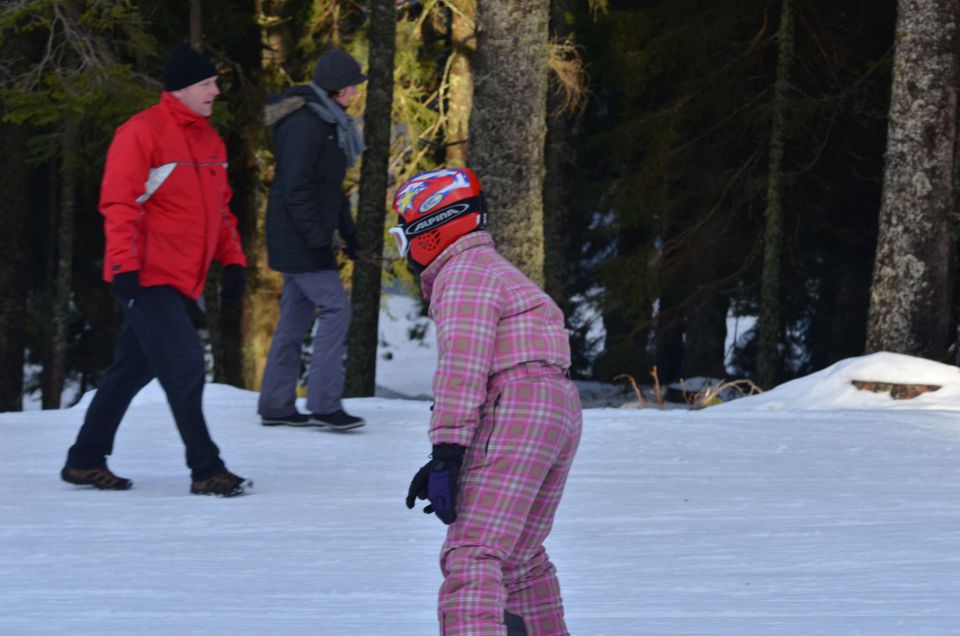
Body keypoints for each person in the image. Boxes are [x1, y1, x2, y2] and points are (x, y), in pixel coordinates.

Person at [60, 45, 251, 497]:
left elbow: (220, 211)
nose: (215, 91)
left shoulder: (209, 140)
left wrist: (235, 259)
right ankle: (206, 469)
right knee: (185, 367)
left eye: (215, 83)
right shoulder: (141, 132)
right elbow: (119, 203)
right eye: (206, 84)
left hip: (182, 279)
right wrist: (124, 265)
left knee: (129, 371)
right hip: (145, 275)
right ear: (182, 88)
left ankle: (84, 459)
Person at [397, 168, 582, 636]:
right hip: (555, 406)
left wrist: (448, 452)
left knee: (472, 554)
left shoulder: (462, 274)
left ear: (429, 231)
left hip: (519, 401)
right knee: (518, 559)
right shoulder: (494, 269)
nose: (404, 251)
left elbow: (464, 365)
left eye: (403, 234)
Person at [257, 49, 367, 431]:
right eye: (352, 84)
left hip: (307, 236)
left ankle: (275, 404)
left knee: (295, 318)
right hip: (299, 237)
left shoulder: (328, 122)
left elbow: (330, 190)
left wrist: (349, 236)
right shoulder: (305, 125)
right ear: (337, 87)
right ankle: (323, 402)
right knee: (338, 309)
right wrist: (319, 237)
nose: (355, 91)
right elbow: (296, 188)